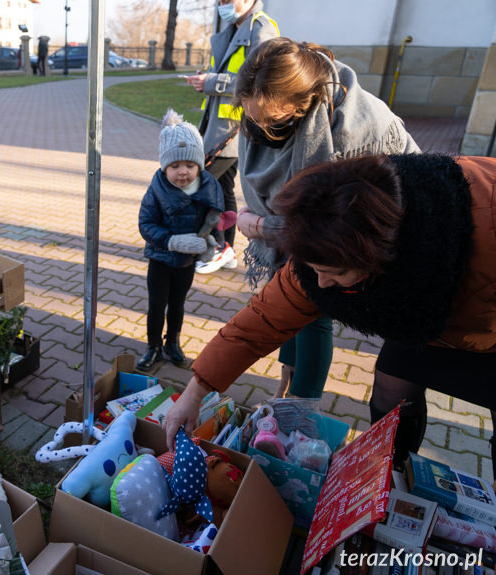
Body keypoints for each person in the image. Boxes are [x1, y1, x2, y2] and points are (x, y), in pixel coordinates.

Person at [161, 153, 496, 474]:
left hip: (484, 322)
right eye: (313, 268)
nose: (321, 283)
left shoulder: (477, 232)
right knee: (393, 382)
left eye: (333, 272)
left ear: (376, 257)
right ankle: (392, 473)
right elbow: (261, 322)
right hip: (424, 316)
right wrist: (195, 393)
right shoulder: (329, 239)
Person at [231, 38, 419, 400]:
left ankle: (302, 407)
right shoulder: (266, 116)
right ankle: (289, 374)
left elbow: (324, 228)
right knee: (288, 288)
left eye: (272, 120)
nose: (260, 130)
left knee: (316, 305)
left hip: (371, 228)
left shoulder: (350, 133)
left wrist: (256, 226)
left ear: (304, 106)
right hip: (317, 224)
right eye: (252, 117)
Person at [186, 0, 279, 275]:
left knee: (203, 187)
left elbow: (259, 80)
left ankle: (218, 247)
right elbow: (228, 73)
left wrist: (212, 82)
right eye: (220, 0)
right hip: (221, 125)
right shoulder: (232, 29)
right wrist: (207, 79)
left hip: (235, 129)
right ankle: (225, 249)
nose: (223, 4)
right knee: (222, 188)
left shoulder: (261, 29)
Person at [136, 110, 230, 371]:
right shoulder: (157, 190)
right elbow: (146, 225)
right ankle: (152, 346)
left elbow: (215, 220)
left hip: (187, 262)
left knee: (177, 304)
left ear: (199, 165)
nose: (182, 173)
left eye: (189, 166)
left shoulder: (209, 188)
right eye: (175, 166)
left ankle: (172, 343)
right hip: (161, 258)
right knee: (157, 305)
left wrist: (213, 244)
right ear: (164, 166)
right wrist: (172, 241)